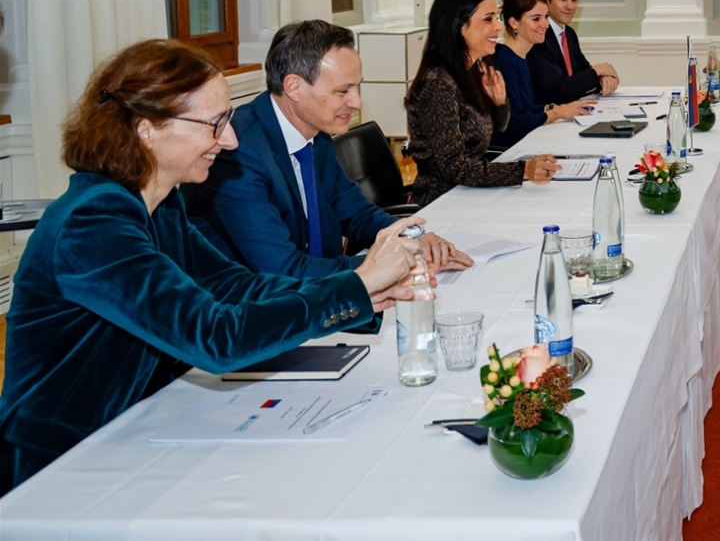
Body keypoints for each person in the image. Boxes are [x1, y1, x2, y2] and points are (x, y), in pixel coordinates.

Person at [0, 40, 422, 493]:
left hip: (135, 431)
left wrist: (360, 292)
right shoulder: (93, 223)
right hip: (59, 468)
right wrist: (352, 288)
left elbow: (234, 286)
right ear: (147, 129)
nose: (231, 139)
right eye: (215, 124)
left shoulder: (160, 204)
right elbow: (215, 335)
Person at [184, 20, 473, 278]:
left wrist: (412, 237)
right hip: (257, 310)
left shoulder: (316, 134)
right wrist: (399, 261)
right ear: (294, 87)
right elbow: (284, 270)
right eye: (342, 91)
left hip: (316, 295)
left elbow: (357, 213)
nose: (357, 102)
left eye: (356, 88)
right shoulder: (237, 154)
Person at [407, 0, 561, 207]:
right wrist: (523, 170)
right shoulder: (439, 84)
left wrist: (499, 103)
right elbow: (453, 167)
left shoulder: (472, 72)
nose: (498, 27)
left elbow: (498, 128)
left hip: (472, 193)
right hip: (444, 203)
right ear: (459, 25)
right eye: (488, 19)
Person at [491, 0, 593, 150]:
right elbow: (514, 122)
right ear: (513, 22)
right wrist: (558, 113)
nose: (545, 24)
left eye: (546, 17)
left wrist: (559, 108)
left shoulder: (520, 56)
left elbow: (525, 108)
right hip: (510, 150)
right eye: (536, 19)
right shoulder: (505, 60)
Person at [529, 0, 620, 105]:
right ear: (546, 0)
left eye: (574, 0)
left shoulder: (569, 34)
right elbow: (558, 91)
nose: (570, 6)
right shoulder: (539, 36)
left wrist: (604, 77)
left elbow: (583, 73)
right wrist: (599, 70)